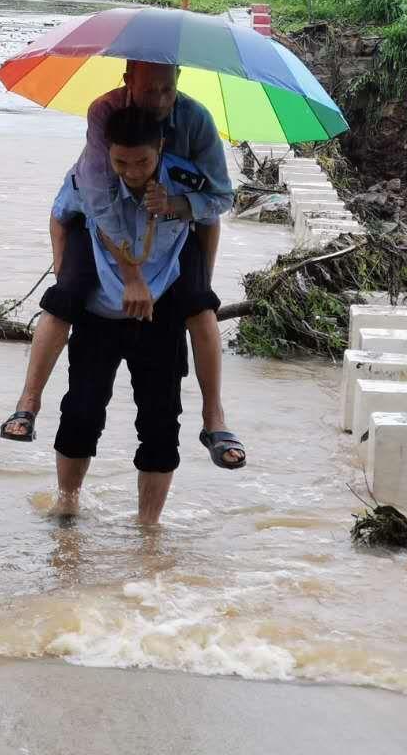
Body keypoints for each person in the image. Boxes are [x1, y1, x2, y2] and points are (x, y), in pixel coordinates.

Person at [0, 61, 244, 471]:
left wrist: (178, 207)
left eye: (168, 90)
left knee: (199, 304)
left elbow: (218, 202)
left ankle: (214, 418)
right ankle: (28, 402)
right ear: (128, 81)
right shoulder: (103, 114)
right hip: (100, 222)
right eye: (150, 90)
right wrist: (127, 275)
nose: (160, 100)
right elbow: (92, 204)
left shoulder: (195, 123)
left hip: (173, 217)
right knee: (66, 297)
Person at [49, 107, 246, 524]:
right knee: (81, 411)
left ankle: (148, 528)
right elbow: (61, 215)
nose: (131, 171)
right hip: (101, 306)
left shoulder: (185, 179)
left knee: (160, 420)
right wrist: (62, 266)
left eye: (141, 161)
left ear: (160, 148)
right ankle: (67, 503)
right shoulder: (91, 175)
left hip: (161, 310)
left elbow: (212, 216)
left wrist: (197, 277)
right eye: (122, 161)